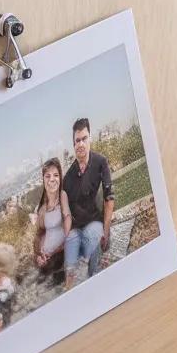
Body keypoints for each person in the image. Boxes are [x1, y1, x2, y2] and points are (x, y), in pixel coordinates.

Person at [62, 118, 114, 287]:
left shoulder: (101, 162)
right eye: (77, 140)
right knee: (70, 263)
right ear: (74, 144)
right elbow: (66, 214)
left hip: (95, 224)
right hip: (77, 230)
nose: (81, 144)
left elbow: (109, 198)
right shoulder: (68, 178)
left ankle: (94, 281)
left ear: (90, 138)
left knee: (93, 238)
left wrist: (106, 230)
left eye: (84, 138)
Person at [33, 157, 71, 287]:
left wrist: (57, 250)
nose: (52, 179)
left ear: (60, 177)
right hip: (47, 260)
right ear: (43, 180)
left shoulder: (63, 197)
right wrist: (38, 255)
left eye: (55, 175)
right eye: (47, 176)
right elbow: (38, 234)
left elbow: (68, 222)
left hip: (61, 256)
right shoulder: (42, 208)